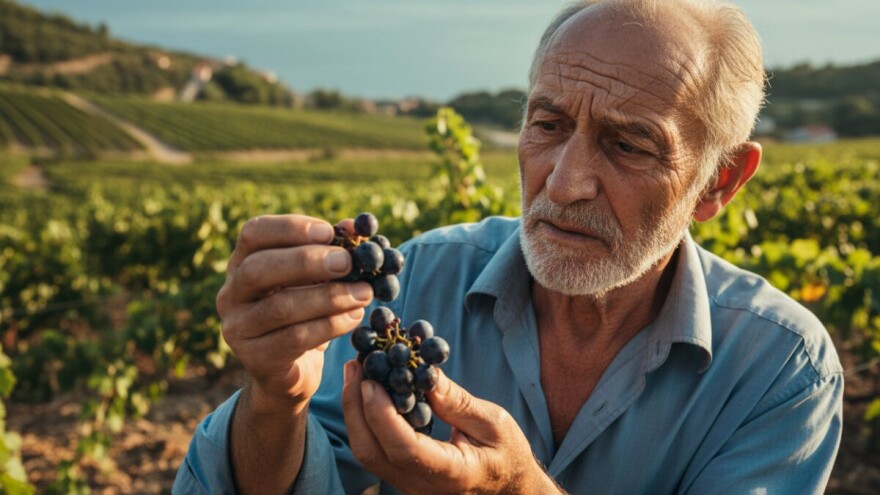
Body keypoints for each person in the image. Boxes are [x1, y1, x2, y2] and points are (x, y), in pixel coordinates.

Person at [173, 0, 843, 493]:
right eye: (548, 123)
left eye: (629, 144)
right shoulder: (421, 280)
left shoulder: (780, 369)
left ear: (718, 181)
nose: (566, 180)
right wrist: (275, 397)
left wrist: (515, 490)